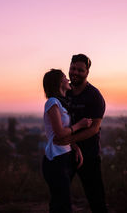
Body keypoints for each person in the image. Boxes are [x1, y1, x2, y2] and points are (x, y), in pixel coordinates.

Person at [54, 54, 108, 213]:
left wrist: (69, 139)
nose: (75, 72)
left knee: (97, 200)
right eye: (72, 68)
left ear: (87, 72)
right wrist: (69, 143)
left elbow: (94, 128)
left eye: (80, 70)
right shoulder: (64, 92)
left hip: (89, 155)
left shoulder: (94, 96)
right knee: (59, 198)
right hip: (65, 154)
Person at [42, 69, 92, 213]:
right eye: (64, 77)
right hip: (55, 159)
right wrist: (80, 125)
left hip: (64, 156)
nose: (68, 79)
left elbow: (64, 135)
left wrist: (75, 147)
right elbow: (59, 133)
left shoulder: (62, 103)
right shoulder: (52, 102)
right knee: (62, 204)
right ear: (58, 82)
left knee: (60, 203)